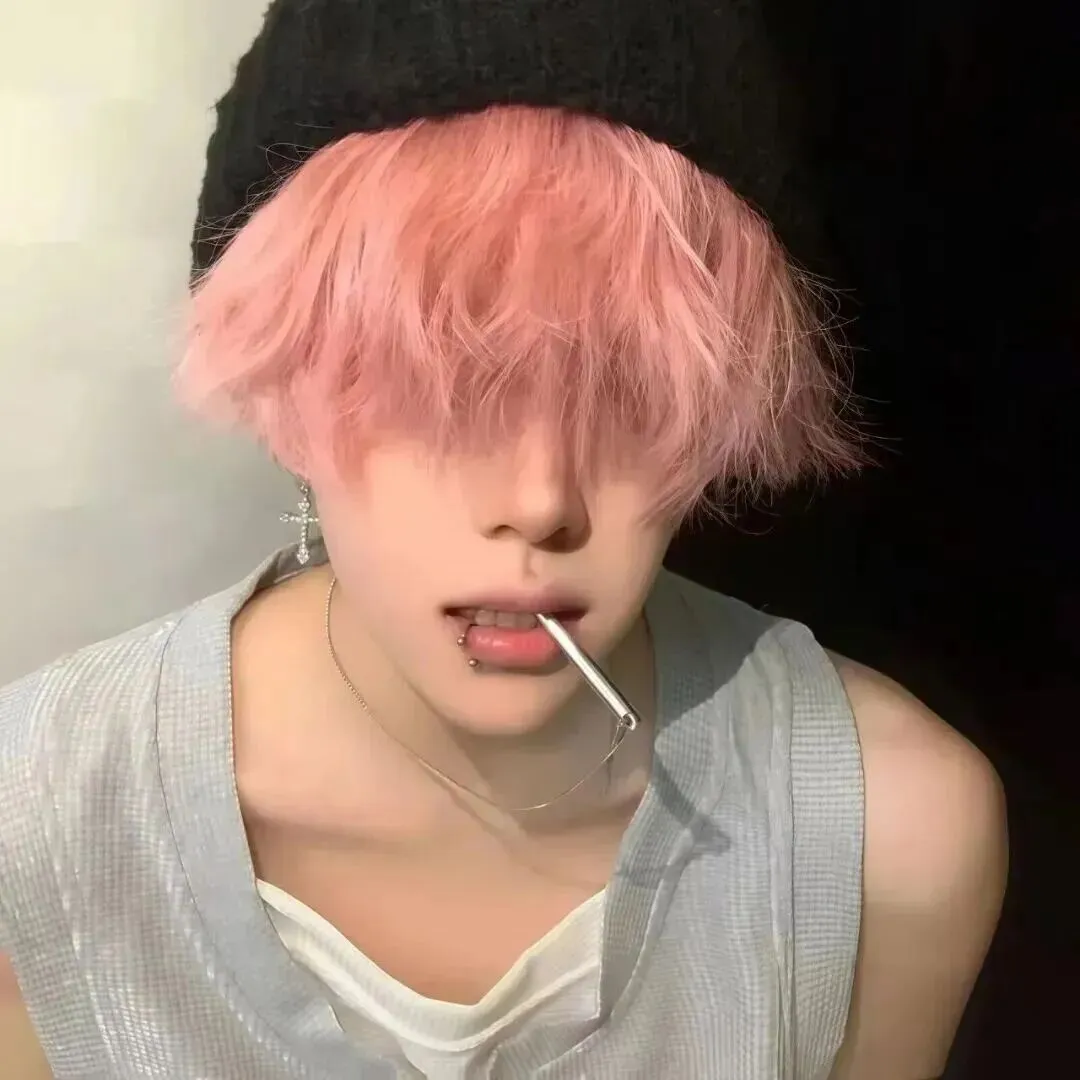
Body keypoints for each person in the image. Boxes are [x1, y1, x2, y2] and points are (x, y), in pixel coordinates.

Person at [0, 2, 1008, 1077]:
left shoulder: (888, 835)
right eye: (447, 382)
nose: (539, 500)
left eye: (628, 390)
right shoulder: (38, 826)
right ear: (284, 381)